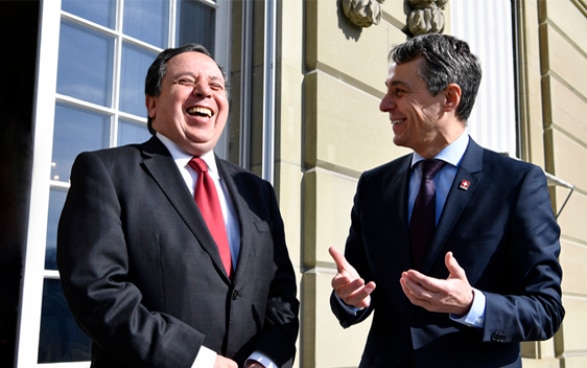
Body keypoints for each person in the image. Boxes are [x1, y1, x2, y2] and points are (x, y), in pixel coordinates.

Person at [329, 33, 564, 367]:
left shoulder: (517, 183)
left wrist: (471, 304)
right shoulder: (374, 186)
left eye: (399, 92)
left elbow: (545, 310)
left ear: (449, 98)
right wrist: (348, 299)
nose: (384, 104)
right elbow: (358, 288)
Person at [57, 43, 299, 368]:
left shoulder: (257, 192)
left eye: (216, 86)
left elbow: (280, 294)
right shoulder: (106, 173)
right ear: (152, 103)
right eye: (186, 81)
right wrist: (198, 360)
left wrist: (263, 359)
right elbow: (98, 292)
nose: (204, 92)